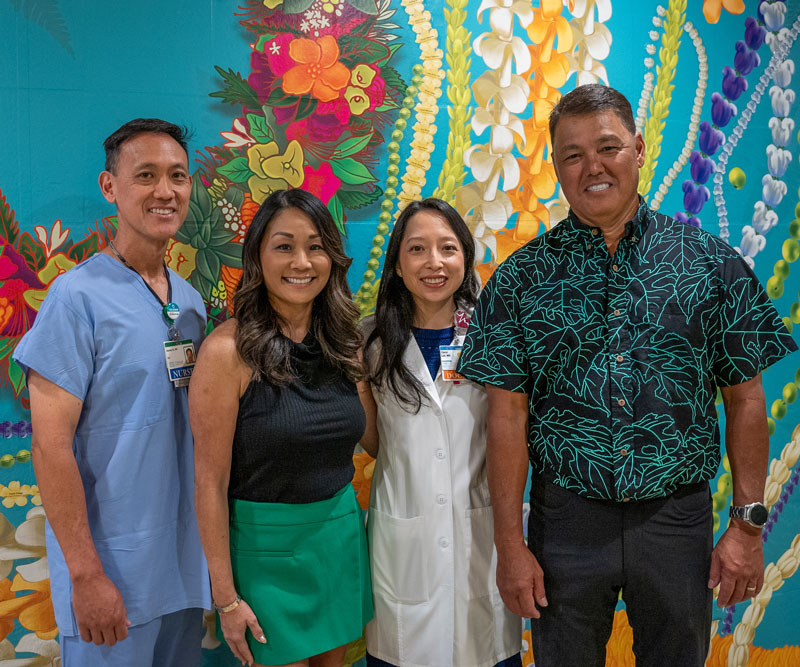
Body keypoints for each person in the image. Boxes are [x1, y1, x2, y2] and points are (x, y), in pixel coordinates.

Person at [457, 84, 798, 667]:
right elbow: (506, 415)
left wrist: (746, 528)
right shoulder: (520, 279)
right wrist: (510, 547)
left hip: (676, 523)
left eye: (608, 146)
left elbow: (745, 400)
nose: (592, 166)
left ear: (638, 150)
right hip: (564, 525)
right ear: (558, 167)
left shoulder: (710, 265)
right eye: (572, 154)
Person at [13, 118, 211, 665]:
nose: (165, 191)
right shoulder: (75, 298)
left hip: (180, 571)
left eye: (177, 176)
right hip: (112, 577)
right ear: (110, 187)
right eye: (145, 175)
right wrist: (86, 574)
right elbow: (51, 446)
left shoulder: (190, 303)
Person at [190, 188, 373, 667]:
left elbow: (375, 438)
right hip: (263, 557)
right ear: (258, 257)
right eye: (284, 245)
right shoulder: (226, 352)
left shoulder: (345, 344)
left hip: (337, 544)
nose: (302, 261)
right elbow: (208, 484)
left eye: (315, 246)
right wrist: (226, 597)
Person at [360, 198, 523, 667]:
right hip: (403, 544)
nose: (434, 263)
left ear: (465, 260)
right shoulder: (370, 344)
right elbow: (375, 443)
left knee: (484, 648)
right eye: (417, 249)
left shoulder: (495, 337)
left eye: (448, 248)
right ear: (397, 264)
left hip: (481, 538)